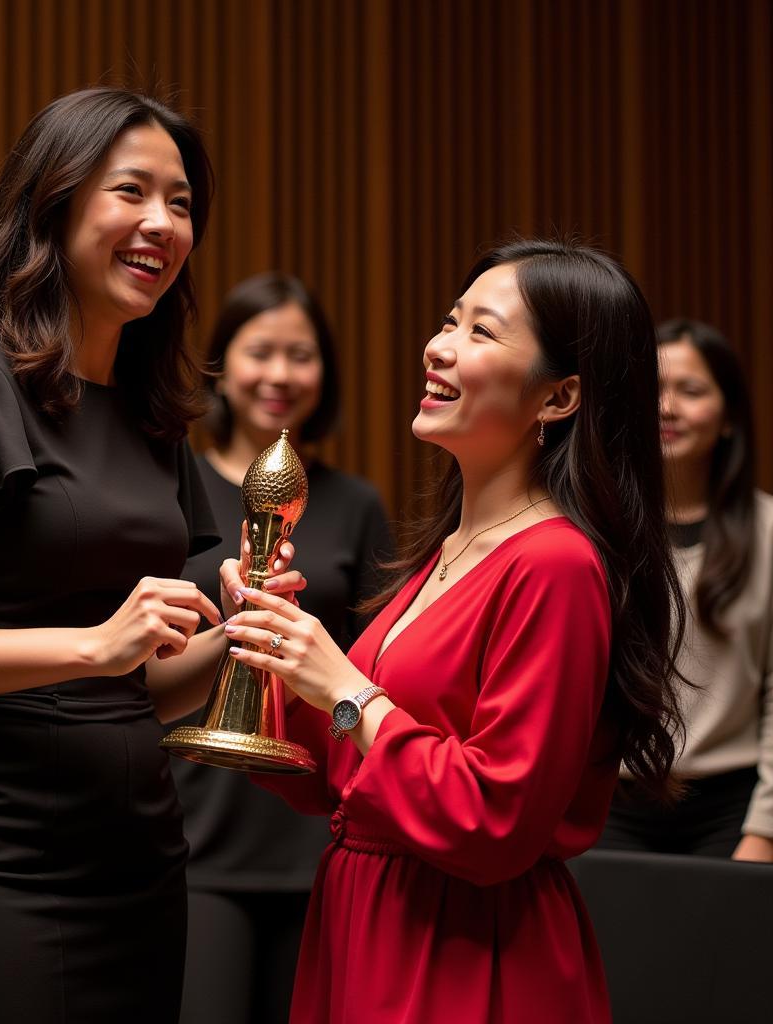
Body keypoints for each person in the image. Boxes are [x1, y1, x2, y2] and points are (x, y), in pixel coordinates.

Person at [0, 87, 303, 1024]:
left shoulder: (153, 413)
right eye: (132, 191)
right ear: (55, 202)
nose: (161, 223)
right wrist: (90, 645)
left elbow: (137, 687)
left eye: (184, 202)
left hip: (142, 861)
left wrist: (239, 637)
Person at [219, 239, 686, 1022]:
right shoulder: (448, 552)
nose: (438, 346)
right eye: (449, 320)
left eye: (482, 332)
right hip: (369, 918)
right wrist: (269, 649)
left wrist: (344, 685)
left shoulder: (556, 565)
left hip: (467, 947)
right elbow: (341, 768)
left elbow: (494, 818)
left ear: (559, 397)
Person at [171, 273, 394, 1024]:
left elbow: (376, 664)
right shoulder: (174, 485)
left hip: (315, 825)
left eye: (300, 355)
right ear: (222, 366)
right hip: (196, 825)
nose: (279, 374)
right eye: (259, 351)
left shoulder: (358, 503)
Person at [597, 319, 773, 861]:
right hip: (610, 805)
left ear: (728, 420)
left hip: (730, 810)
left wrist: (763, 831)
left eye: (690, 391)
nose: (666, 408)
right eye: (653, 391)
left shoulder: (768, 533)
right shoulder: (595, 532)